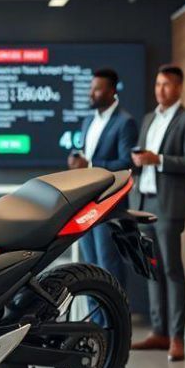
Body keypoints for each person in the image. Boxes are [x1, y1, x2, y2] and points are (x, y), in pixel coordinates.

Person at [128, 64, 185, 362]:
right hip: (144, 202)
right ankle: (158, 331)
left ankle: (177, 337)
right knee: (152, 269)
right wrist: (138, 161)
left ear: (179, 88)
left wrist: (157, 159)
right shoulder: (149, 119)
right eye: (158, 84)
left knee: (172, 269)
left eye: (167, 85)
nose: (161, 89)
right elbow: (142, 159)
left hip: (169, 204)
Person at [68, 68, 137, 290]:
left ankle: (113, 324)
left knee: (109, 265)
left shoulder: (125, 122)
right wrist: (76, 160)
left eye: (97, 89)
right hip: (85, 203)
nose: (91, 94)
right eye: (91, 88)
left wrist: (89, 165)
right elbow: (86, 154)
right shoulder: (89, 121)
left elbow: (127, 164)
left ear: (112, 91)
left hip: (109, 205)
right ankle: (95, 325)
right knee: (89, 269)